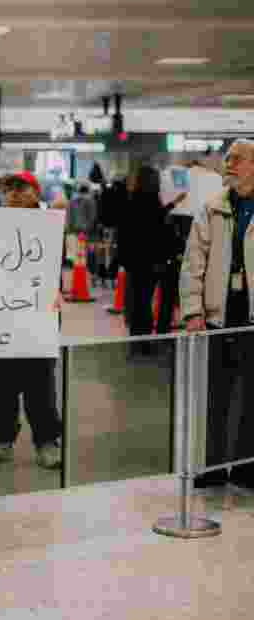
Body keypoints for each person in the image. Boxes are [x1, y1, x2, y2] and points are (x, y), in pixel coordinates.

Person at [181, 138, 254, 490]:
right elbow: (193, 264)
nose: (229, 164)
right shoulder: (211, 209)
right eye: (227, 159)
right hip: (218, 315)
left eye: (237, 159)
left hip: (252, 315)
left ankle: (244, 467)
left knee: (251, 397)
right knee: (214, 395)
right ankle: (210, 467)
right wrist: (193, 311)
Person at [0, 172, 63, 469]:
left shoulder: (51, 223)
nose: (14, 194)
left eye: (21, 188)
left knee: (40, 384)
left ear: (35, 192)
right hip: (1, 315)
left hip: (39, 315)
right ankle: (0, 439)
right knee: (0, 382)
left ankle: (47, 441)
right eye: (9, 189)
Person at [121, 165, 185, 356]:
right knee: (147, 303)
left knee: (138, 303)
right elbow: (158, 223)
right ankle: (148, 342)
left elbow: (128, 231)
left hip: (136, 261)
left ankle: (137, 342)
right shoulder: (153, 201)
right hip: (154, 261)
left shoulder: (132, 200)